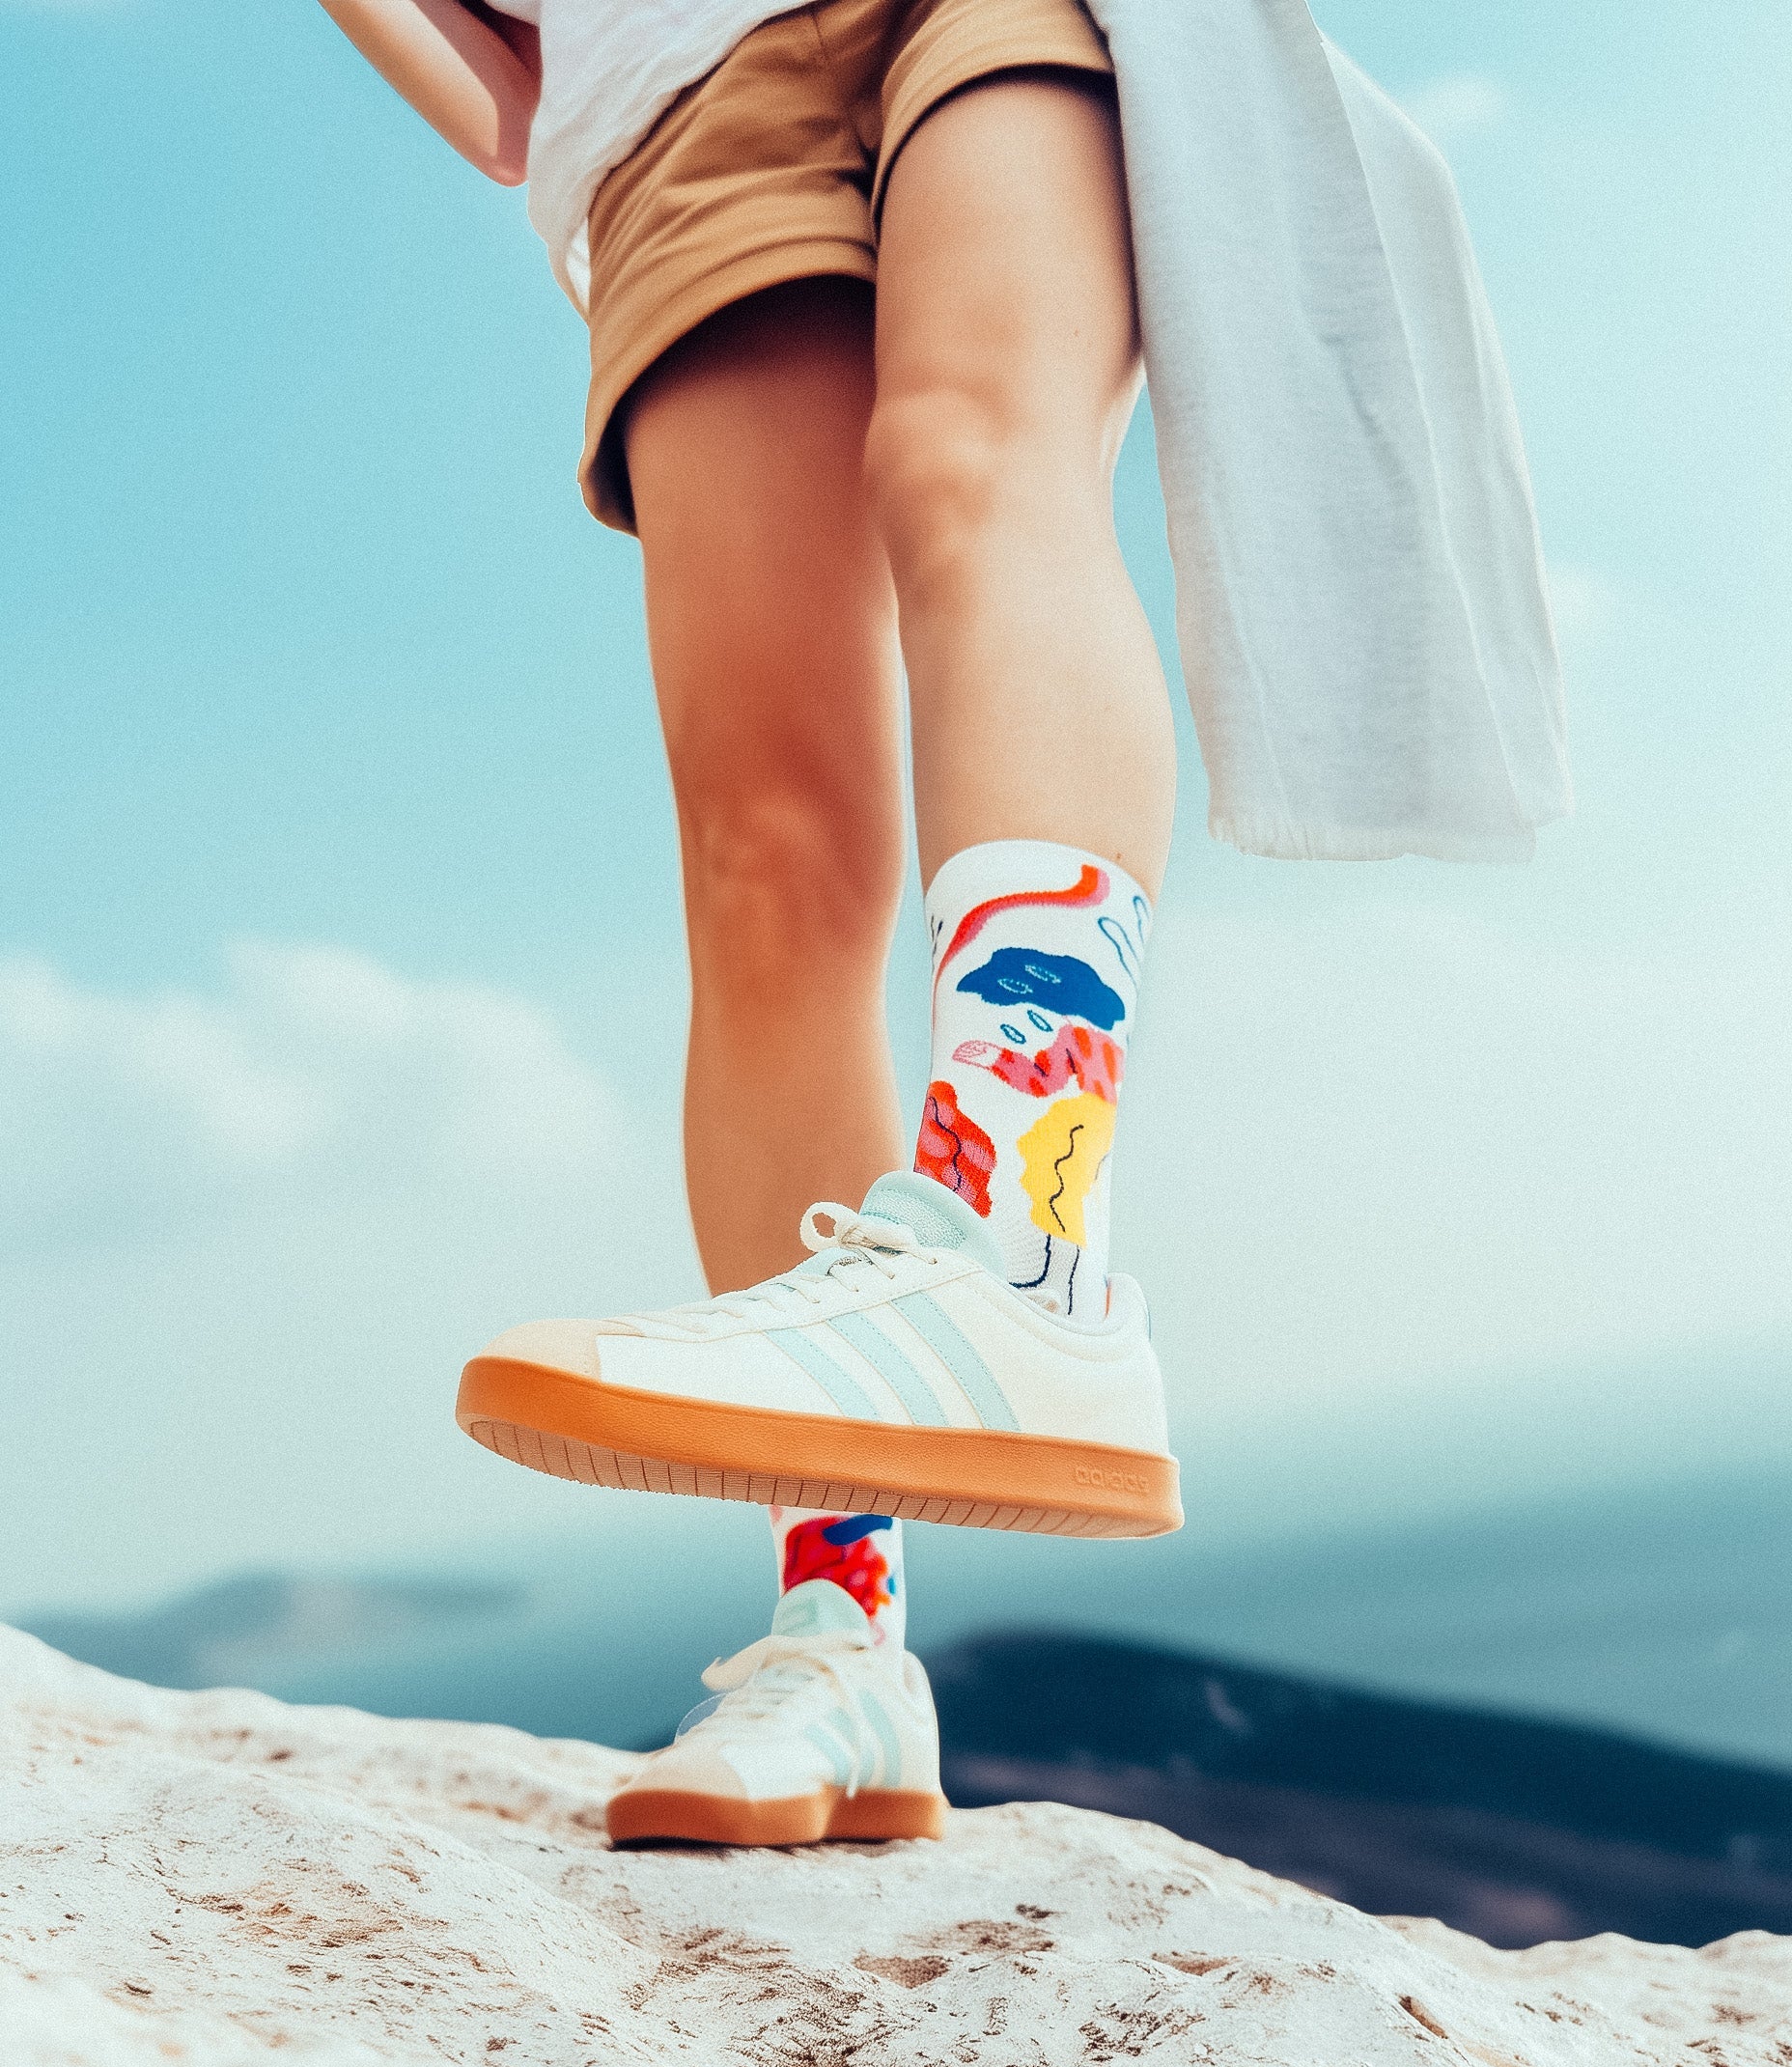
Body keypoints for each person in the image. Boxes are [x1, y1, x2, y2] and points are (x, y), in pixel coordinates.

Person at [315, 0, 1559, 1853]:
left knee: (972, 464)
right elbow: (501, 101)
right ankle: (842, 1641)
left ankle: (1024, 1240)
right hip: (668, 112)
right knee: (766, 853)